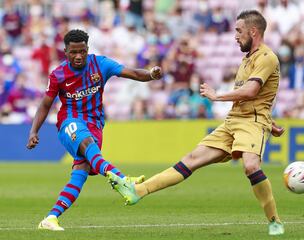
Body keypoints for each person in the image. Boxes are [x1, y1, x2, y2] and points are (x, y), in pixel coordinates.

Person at [111, 10, 285, 236]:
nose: (235, 36)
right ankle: (138, 191)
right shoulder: (247, 59)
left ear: (253, 31)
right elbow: (258, 96)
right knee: (191, 159)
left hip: (252, 122)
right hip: (234, 121)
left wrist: (217, 96)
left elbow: (252, 91)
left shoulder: (267, 57)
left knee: (251, 165)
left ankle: (275, 221)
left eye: (239, 31)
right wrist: (271, 124)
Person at [26, 29, 162, 231]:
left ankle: (51, 218)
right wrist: (33, 131)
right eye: (73, 52)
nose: (78, 56)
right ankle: (123, 180)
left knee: (80, 173)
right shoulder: (58, 75)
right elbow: (46, 104)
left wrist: (151, 74)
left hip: (95, 124)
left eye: (82, 51)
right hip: (69, 122)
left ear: (87, 49)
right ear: (65, 51)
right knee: (87, 143)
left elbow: (132, 73)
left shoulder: (100, 64)